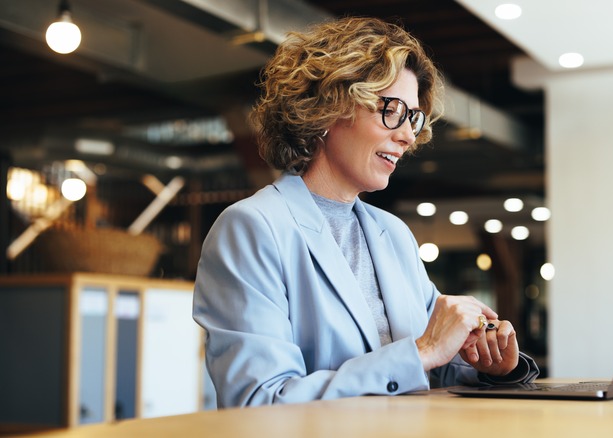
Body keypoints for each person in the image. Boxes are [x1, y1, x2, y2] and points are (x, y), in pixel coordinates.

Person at [193, 16, 539, 408]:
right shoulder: (251, 229)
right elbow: (258, 402)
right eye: (392, 110)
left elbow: (434, 369)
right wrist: (423, 351)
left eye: (413, 117)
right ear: (328, 107)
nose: (408, 135)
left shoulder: (392, 234)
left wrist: (486, 362)